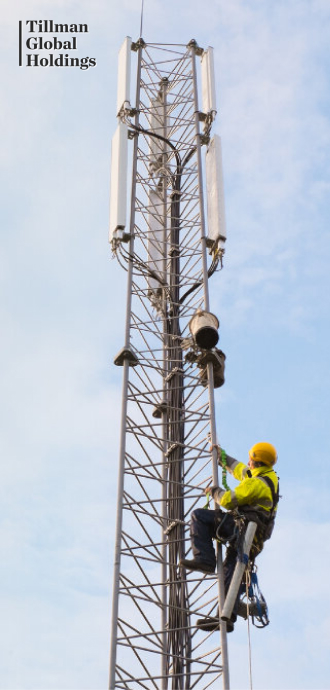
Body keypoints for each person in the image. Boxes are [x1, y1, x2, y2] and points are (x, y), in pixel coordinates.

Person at [179, 442, 279, 632]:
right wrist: (222, 457)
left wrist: (215, 492)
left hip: (243, 530)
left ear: (255, 461)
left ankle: (204, 559)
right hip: (250, 538)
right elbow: (241, 470)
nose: (248, 462)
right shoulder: (266, 476)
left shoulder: (257, 484)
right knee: (230, 574)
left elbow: (228, 500)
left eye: (250, 459)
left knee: (199, 516)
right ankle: (226, 618)